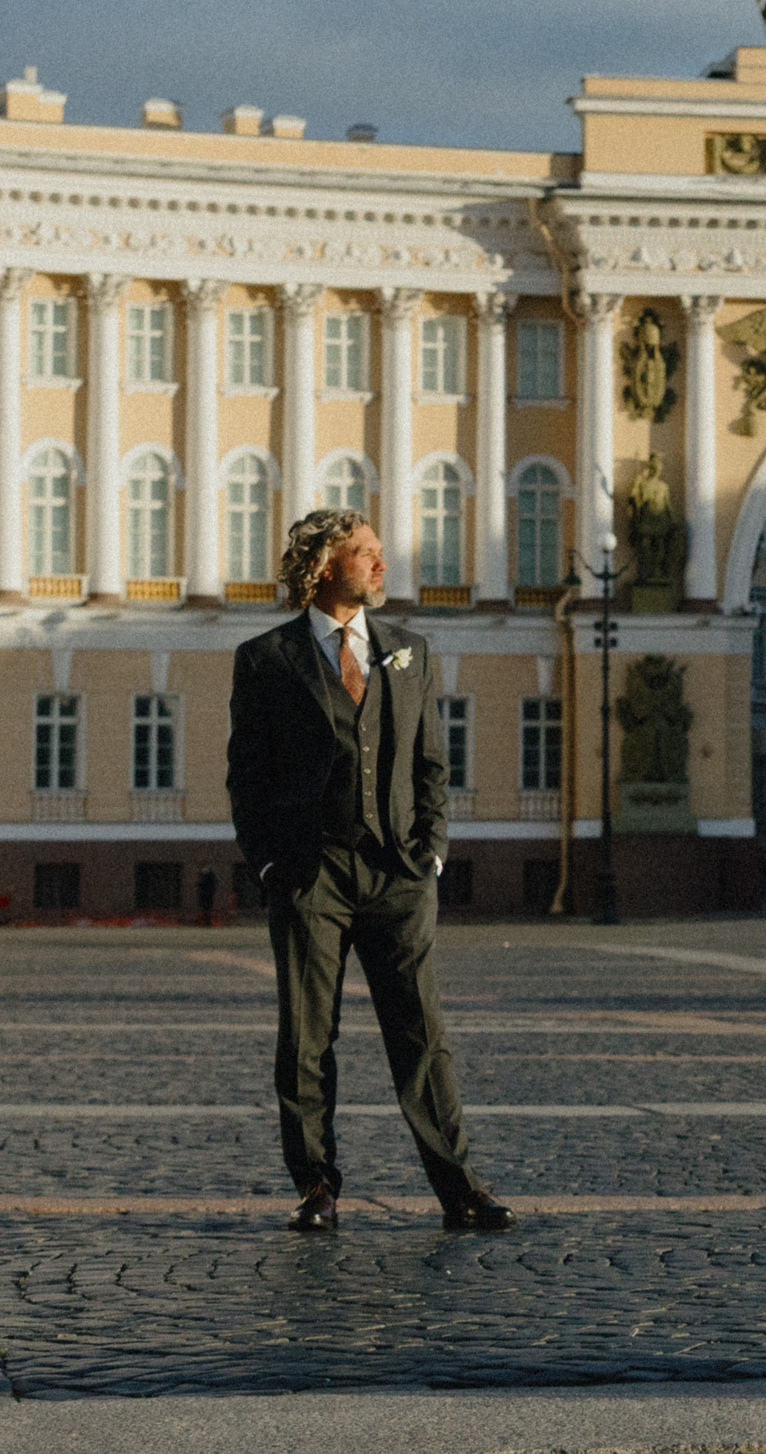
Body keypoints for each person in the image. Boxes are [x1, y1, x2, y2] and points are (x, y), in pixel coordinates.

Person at [225, 509, 513, 1236]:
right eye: (368, 555)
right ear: (326, 566)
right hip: (309, 872)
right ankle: (316, 1187)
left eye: (381, 554)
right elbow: (246, 778)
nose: (383, 567)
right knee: (307, 1037)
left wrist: (432, 853)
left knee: (421, 1034)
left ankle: (461, 1191)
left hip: (398, 875)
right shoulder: (266, 659)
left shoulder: (409, 651)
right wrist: (269, 864)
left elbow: (430, 766)